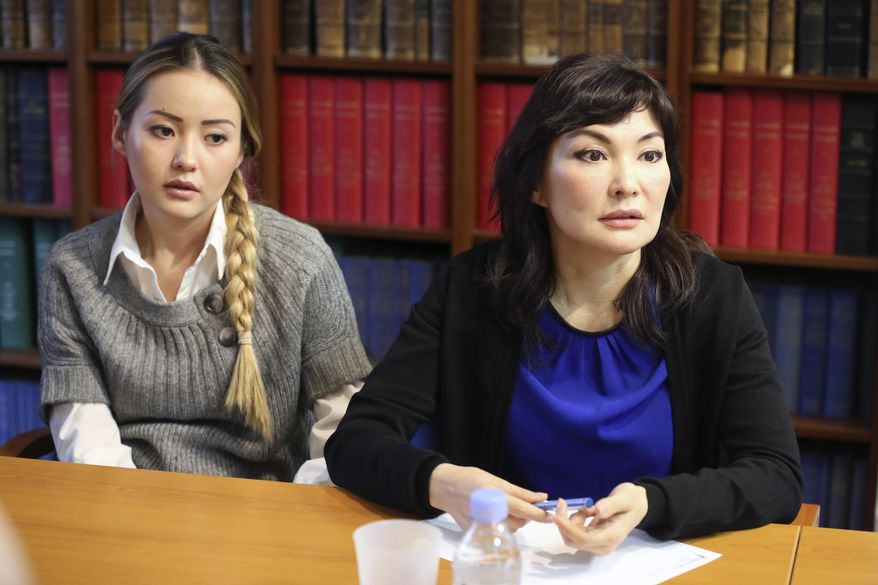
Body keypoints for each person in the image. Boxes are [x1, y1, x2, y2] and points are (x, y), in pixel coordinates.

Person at [325, 52, 802, 553]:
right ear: (536, 183)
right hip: (506, 564)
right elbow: (356, 442)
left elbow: (776, 476)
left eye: (649, 155)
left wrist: (652, 503)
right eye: (593, 155)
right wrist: (442, 482)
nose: (628, 183)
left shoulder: (712, 296)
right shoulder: (473, 288)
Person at [38, 33, 371, 482]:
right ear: (120, 133)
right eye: (163, 130)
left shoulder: (301, 260)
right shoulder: (71, 269)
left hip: (265, 521)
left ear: (240, 152)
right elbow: (89, 448)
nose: (186, 159)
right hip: (125, 513)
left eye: (215, 137)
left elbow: (344, 437)